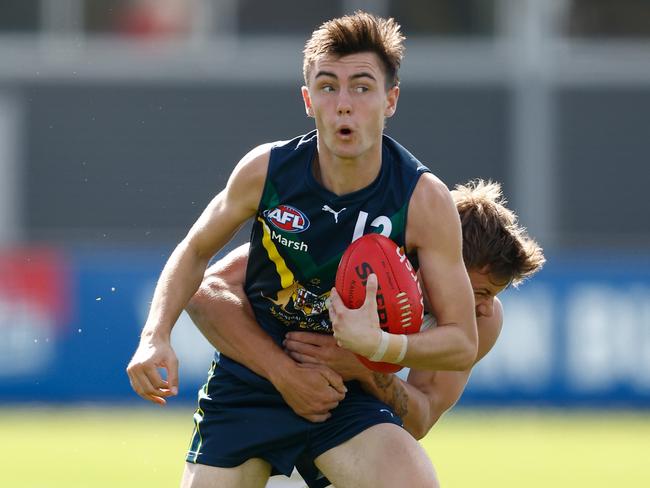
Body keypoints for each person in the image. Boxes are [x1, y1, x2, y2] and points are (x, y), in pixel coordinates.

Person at [126, 11, 478, 488]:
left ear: (390, 100)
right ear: (308, 99)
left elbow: (462, 341)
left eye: (362, 86)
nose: (344, 105)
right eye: (328, 87)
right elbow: (193, 253)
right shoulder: (266, 171)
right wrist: (154, 335)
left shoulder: (422, 200)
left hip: (343, 392)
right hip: (249, 382)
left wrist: (376, 346)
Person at [187, 179, 545, 487]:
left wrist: (365, 363)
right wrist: (283, 372)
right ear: (441, 262)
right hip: (253, 396)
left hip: (344, 421)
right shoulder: (360, 243)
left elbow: (420, 418)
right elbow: (206, 289)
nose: (484, 307)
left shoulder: (481, 322)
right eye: (480, 292)